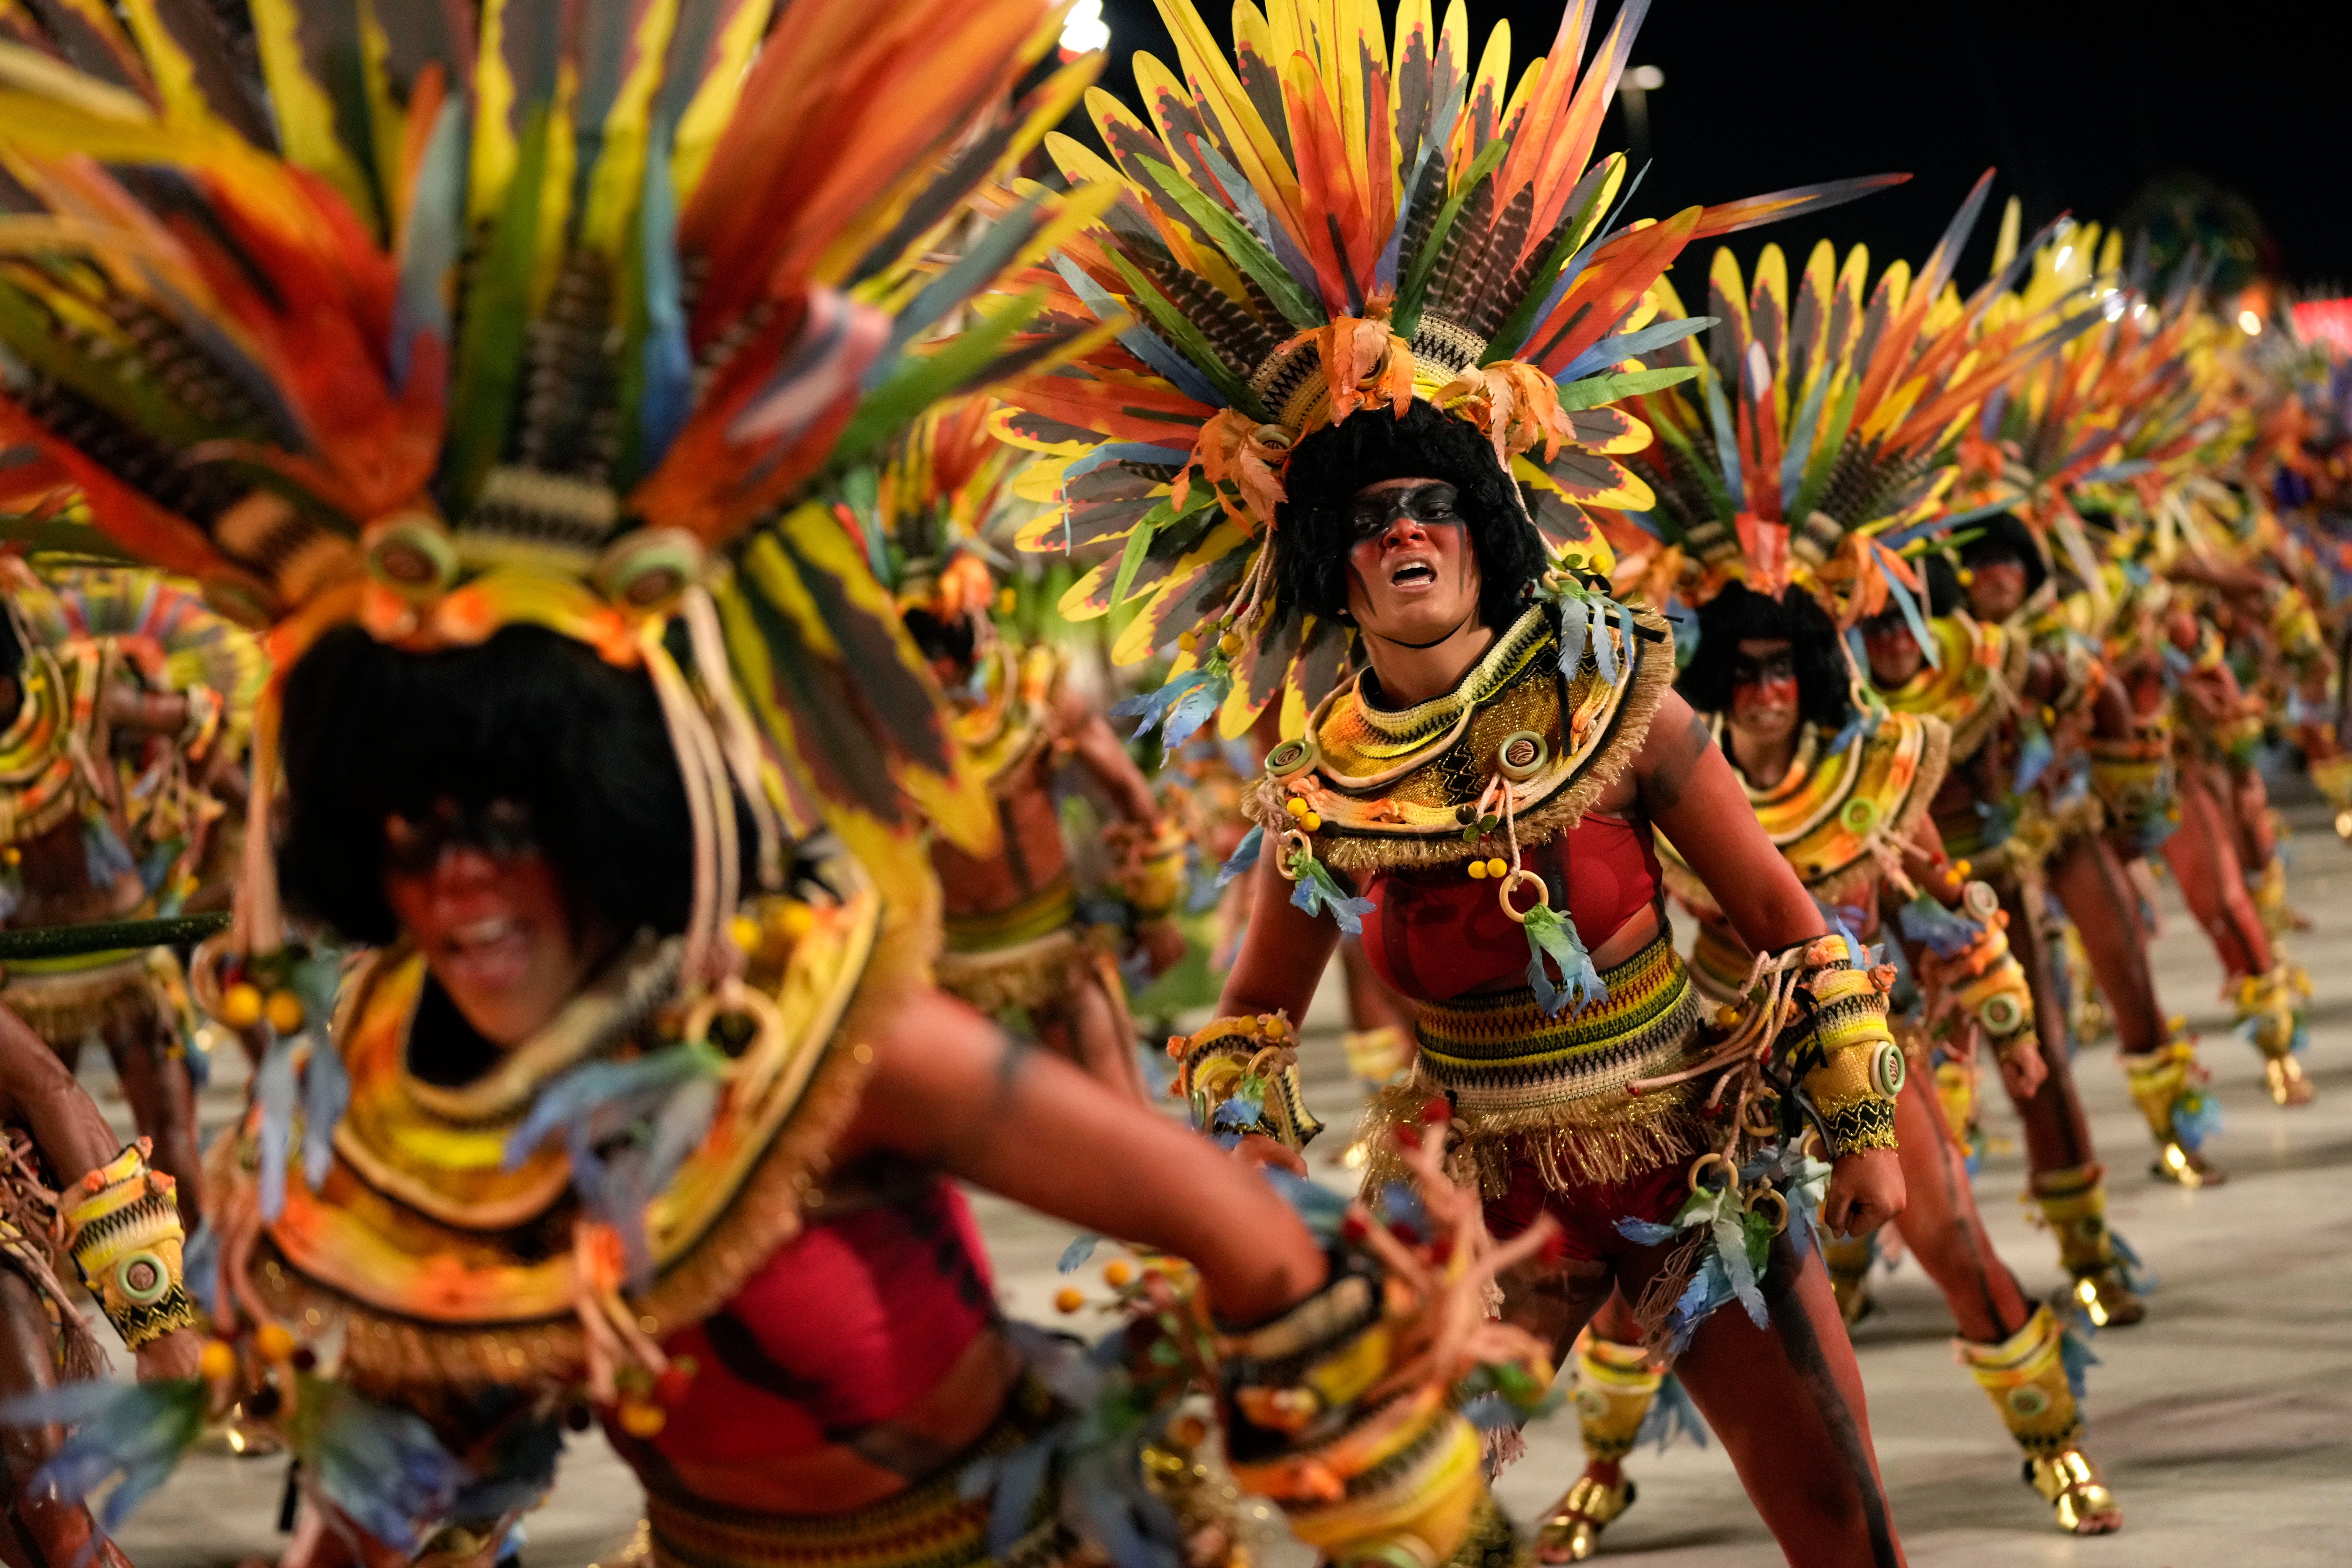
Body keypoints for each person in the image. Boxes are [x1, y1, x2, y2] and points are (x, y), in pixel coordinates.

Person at [0, 7, 1540, 1568]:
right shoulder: (438, 1138)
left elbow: (1238, 1240)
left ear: (608, 805)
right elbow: (408, 1473)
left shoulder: (824, 1037)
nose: (455, 880)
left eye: (505, 825)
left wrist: (1391, 1498)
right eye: (410, 832)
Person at [1548, 581, 2117, 1554]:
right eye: (1747, 669)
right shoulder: (1683, 767)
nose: (1768, 689)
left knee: (1962, 1255)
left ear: (1810, 674)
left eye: (1784, 668)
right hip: (1724, 1077)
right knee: (1639, 1303)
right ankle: (1600, 1473)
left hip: (1861, 1059)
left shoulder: (1876, 777)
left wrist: (2013, 1028)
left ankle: (2056, 1446)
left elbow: (1950, 917)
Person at [877, 405, 1187, 1101]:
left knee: (1120, 1133)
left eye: (955, 633)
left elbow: (1131, 799)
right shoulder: (878, 732)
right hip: (942, 966)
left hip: (1057, 948)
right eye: (925, 643)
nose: (950, 663)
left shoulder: (1036, 696)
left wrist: (1158, 913)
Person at [0, 561, 263, 1231]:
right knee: (36, 1158)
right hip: (31, 973)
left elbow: (194, 719)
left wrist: (258, 819)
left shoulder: (83, 689)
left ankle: (198, 1302)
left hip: (124, 959)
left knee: (169, 1140)